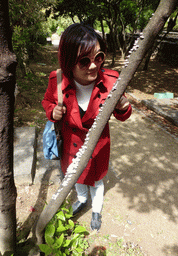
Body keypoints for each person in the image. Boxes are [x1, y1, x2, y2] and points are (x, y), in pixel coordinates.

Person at [42, 23, 132, 231]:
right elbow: (47, 101)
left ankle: (96, 211)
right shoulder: (57, 81)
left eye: (98, 57)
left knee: (97, 181)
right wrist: (52, 112)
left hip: (98, 146)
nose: (93, 66)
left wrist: (124, 107)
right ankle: (81, 200)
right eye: (84, 61)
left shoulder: (111, 81)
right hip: (71, 147)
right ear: (68, 62)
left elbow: (123, 115)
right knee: (77, 177)